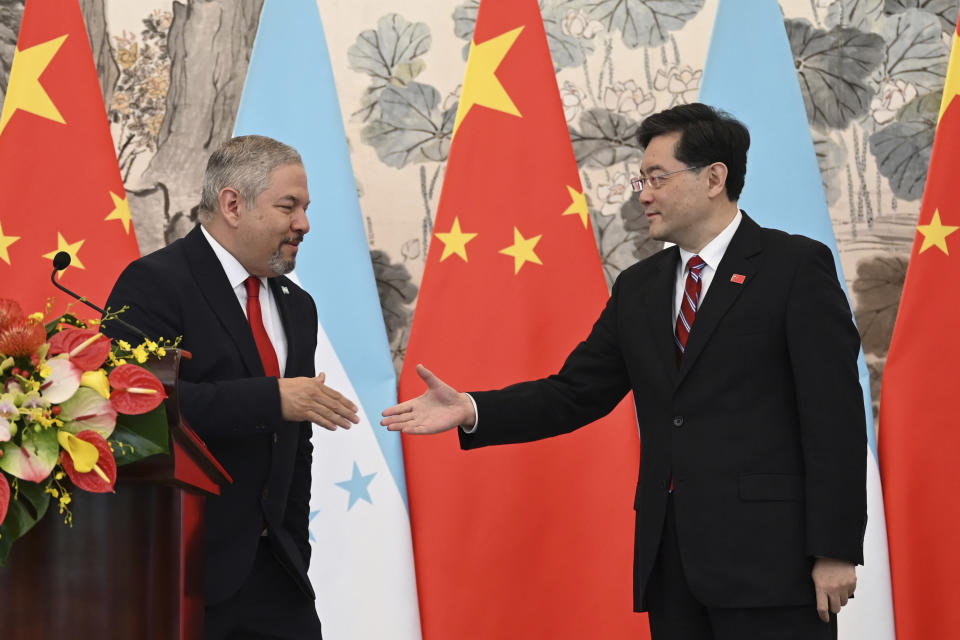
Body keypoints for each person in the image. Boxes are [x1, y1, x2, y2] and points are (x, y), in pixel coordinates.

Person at [382, 103, 867, 640]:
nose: (644, 193)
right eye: (642, 178)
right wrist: (473, 408)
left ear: (714, 178)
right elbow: (574, 393)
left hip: (773, 564)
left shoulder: (794, 266)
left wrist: (835, 549)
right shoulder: (640, 287)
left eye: (657, 177)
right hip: (672, 565)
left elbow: (834, 418)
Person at [104, 135, 359, 639]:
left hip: (277, 574)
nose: (303, 224)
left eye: (305, 208)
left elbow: (295, 443)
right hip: (182, 574)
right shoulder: (154, 282)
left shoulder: (296, 305)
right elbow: (134, 407)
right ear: (232, 204)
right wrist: (273, 398)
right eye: (289, 206)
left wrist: (293, 548)